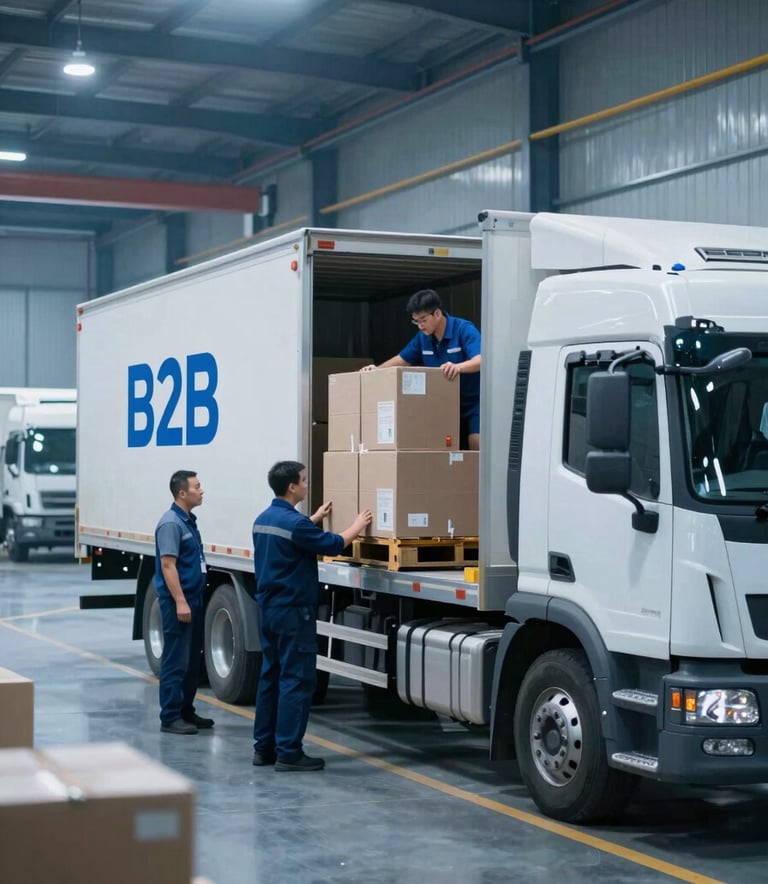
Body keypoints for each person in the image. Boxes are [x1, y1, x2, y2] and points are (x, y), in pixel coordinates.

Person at [251, 461, 372, 771]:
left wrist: (314, 518)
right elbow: (333, 544)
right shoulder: (295, 525)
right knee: (296, 679)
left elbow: (293, 538)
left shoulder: (263, 519)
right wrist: (358, 524)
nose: (307, 484)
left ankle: (264, 749)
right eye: (304, 480)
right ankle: (289, 752)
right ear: (292, 486)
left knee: (270, 677)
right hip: (294, 612)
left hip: (269, 609)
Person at [362, 289, 482, 450]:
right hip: (443, 403)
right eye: (416, 321)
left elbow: (481, 360)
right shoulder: (423, 338)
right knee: (439, 445)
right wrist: (377, 369)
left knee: (476, 441)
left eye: (423, 320)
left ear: (437, 313)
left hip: (473, 402)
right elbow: (403, 359)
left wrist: (457, 367)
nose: (420, 326)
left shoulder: (463, 329)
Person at [154, 470, 214, 735]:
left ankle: (186, 711)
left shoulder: (187, 520)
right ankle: (170, 716)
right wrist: (180, 601)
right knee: (176, 660)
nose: (201, 491)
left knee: (191, 661)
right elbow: (168, 565)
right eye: (197, 487)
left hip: (193, 598)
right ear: (182, 493)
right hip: (179, 601)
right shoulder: (171, 523)